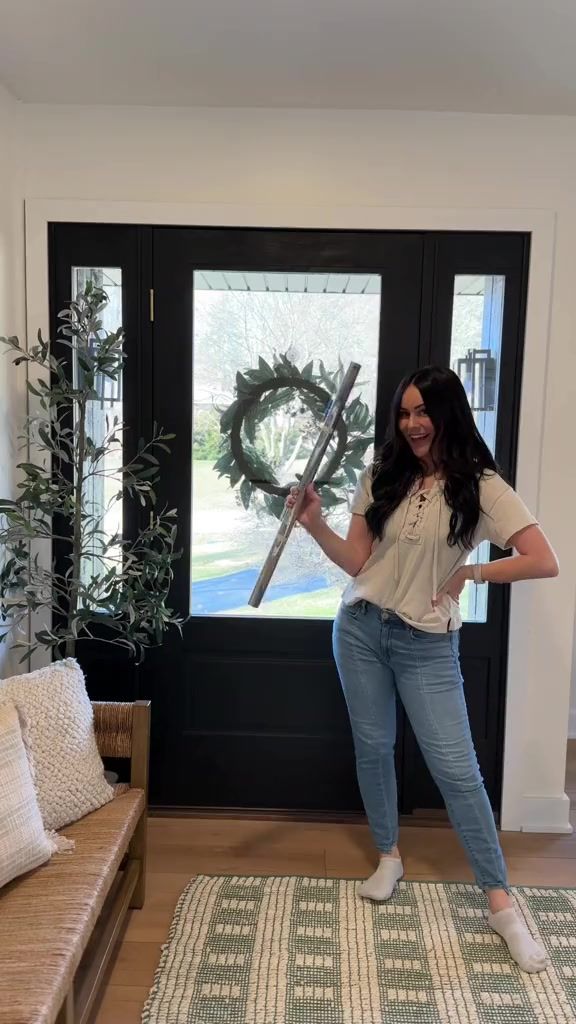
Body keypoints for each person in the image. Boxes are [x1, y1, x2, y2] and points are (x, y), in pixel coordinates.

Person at [287, 365, 558, 974]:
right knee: (373, 748)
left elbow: (544, 560)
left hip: (426, 643)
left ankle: (500, 904)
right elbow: (358, 561)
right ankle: (388, 855)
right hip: (359, 630)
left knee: (457, 769)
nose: (412, 423)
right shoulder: (381, 476)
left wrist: (471, 573)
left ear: (447, 413)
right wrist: (313, 522)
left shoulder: (482, 486)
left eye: (422, 411)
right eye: (404, 412)